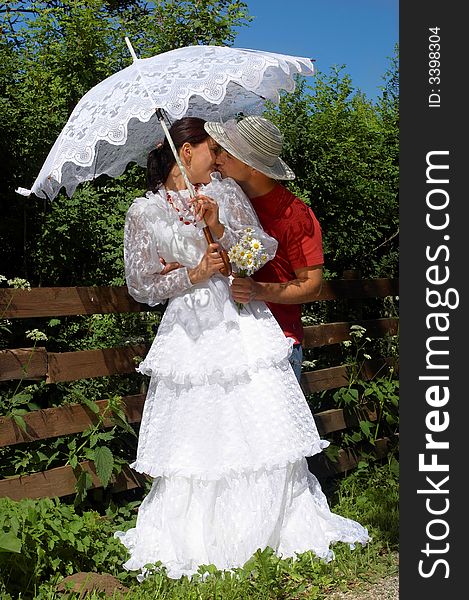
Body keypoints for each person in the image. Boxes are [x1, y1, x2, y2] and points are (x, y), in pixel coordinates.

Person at [114, 116, 369, 580]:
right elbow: (140, 285)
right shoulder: (143, 212)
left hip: (240, 313)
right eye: (212, 148)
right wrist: (192, 274)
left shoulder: (227, 193)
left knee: (256, 415)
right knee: (200, 424)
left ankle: (272, 527)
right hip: (190, 328)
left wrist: (221, 231)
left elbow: (264, 247)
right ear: (185, 152)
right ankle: (199, 533)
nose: (219, 157)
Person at [204, 116, 324, 382]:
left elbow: (312, 285)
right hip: (232, 341)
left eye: (228, 153)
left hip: (278, 342)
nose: (219, 158)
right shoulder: (226, 198)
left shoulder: (295, 215)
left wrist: (258, 290)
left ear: (253, 168)